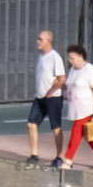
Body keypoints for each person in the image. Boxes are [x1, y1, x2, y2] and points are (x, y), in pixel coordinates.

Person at [57, 44, 93, 171]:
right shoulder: (73, 70)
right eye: (69, 58)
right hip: (76, 109)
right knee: (88, 135)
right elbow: (70, 86)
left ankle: (68, 160)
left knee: (76, 133)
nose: (70, 61)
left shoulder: (90, 70)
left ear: (80, 57)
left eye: (72, 58)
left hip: (87, 109)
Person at [24, 29, 64, 166]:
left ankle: (59, 157)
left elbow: (61, 79)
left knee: (56, 127)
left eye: (40, 39)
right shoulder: (40, 57)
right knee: (31, 124)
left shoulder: (55, 57)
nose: (38, 42)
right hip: (39, 97)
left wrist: (51, 91)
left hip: (53, 98)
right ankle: (34, 155)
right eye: (38, 39)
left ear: (48, 41)